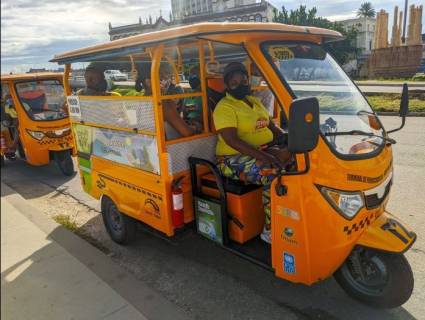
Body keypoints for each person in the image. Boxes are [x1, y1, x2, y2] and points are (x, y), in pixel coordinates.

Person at [213, 62, 290, 244]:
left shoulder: (254, 101)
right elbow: (233, 141)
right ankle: (270, 231)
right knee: (274, 175)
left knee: (300, 162)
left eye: (244, 80)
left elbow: (272, 125)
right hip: (230, 159)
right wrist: (267, 157)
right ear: (227, 85)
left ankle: (292, 218)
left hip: (261, 151)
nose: (241, 84)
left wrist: (285, 138)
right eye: (234, 82)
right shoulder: (224, 107)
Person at [136, 62, 196, 140]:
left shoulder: (141, 101)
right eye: (161, 77)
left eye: (167, 76)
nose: (167, 80)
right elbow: (187, 132)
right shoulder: (162, 102)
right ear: (148, 82)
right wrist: (196, 127)